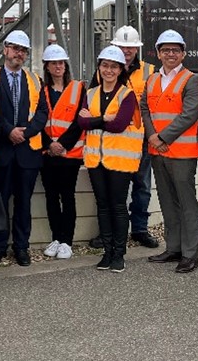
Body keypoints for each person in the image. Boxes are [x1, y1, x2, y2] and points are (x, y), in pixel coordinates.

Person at [140, 30, 198, 273]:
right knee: (167, 201)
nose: (170, 54)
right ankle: (173, 247)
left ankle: (190, 253)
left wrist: (163, 137)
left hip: (181, 152)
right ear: (158, 53)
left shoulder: (192, 79)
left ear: (183, 54)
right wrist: (152, 136)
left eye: (175, 50)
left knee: (186, 202)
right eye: (165, 50)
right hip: (158, 151)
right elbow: (144, 108)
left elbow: (190, 114)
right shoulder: (152, 80)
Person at [89, 25, 159, 249]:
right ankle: (107, 234)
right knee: (110, 191)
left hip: (139, 141)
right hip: (110, 142)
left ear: (137, 49)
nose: (127, 51)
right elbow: (92, 103)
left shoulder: (149, 71)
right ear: (114, 46)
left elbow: (154, 105)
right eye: (122, 46)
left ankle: (139, 229)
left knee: (142, 186)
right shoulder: (103, 71)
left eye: (131, 48)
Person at [78, 46, 143, 273]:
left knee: (117, 207)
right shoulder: (90, 93)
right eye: (105, 65)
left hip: (119, 162)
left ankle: (119, 253)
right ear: (99, 67)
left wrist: (95, 119)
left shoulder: (127, 94)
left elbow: (119, 125)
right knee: (103, 206)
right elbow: (81, 123)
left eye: (113, 66)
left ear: (120, 70)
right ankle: (106, 253)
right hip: (96, 160)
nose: (108, 70)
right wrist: (105, 117)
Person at [0, 29, 47, 265]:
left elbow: (42, 112)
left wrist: (26, 133)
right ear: (5, 50)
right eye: (15, 49)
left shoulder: (34, 80)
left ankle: (21, 247)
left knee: (24, 202)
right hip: (2, 151)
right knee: (0, 201)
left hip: (26, 152)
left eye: (23, 50)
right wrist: (8, 131)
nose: (19, 54)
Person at [39, 43, 85, 261]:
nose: (58, 67)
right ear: (47, 67)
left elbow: (80, 121)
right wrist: (49, 144)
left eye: (60, 63)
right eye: (53, 63)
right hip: (48, 153)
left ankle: (67, 241)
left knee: (67, 196)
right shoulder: (42, 90)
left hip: (70, 154)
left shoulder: (78, 88)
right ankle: (56, 237)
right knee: (51, 196)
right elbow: (38, 120)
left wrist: (62, 144)